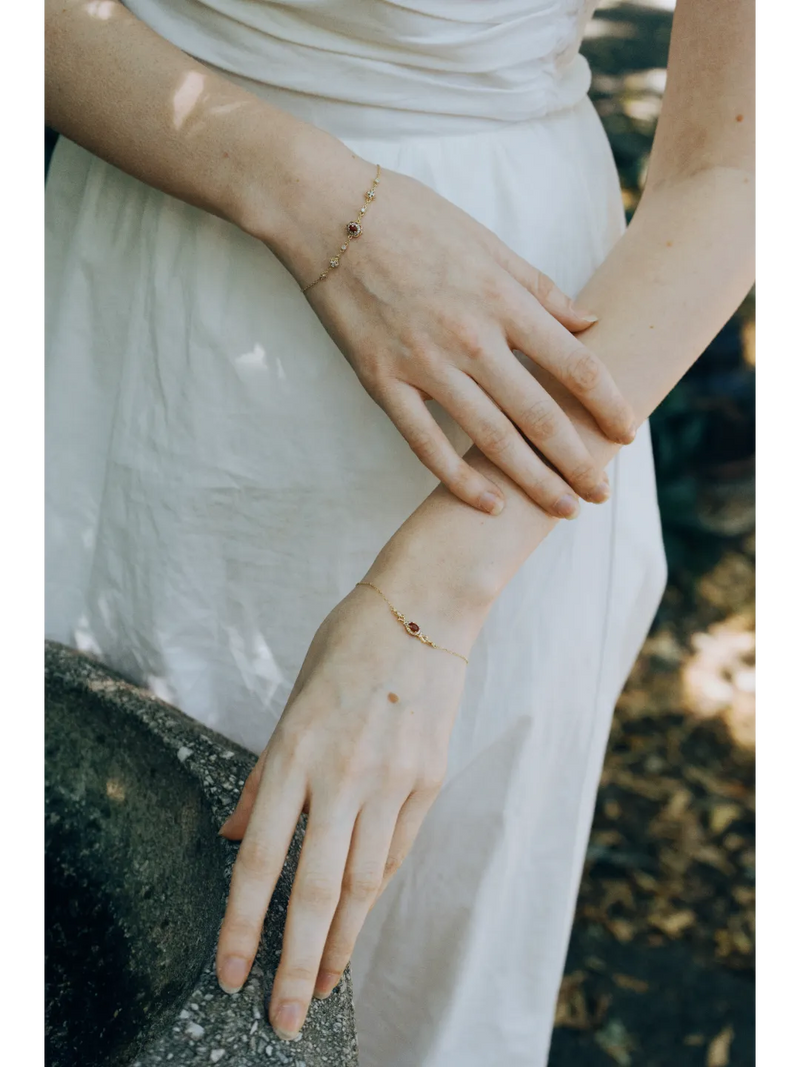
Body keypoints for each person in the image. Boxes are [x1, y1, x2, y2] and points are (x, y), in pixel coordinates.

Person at [42, 2, 757, 1064]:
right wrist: (329, 211)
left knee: (410, 981)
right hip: (140, 296)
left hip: (503, 408)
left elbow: (729, 172)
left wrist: (429, 599)